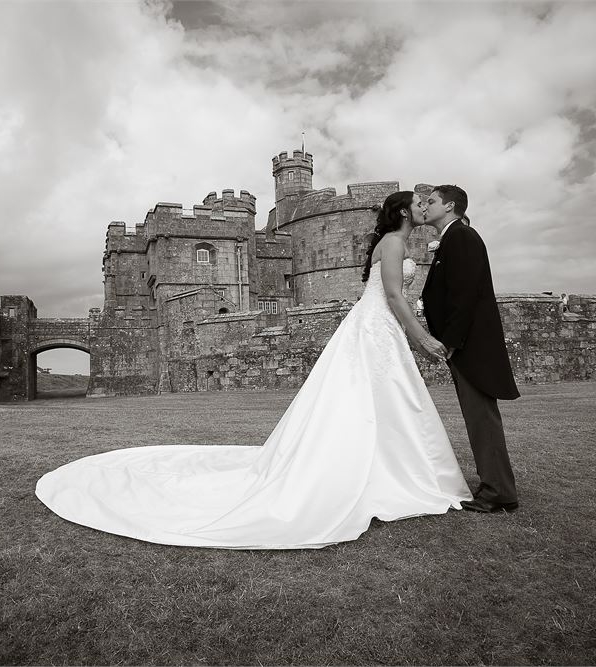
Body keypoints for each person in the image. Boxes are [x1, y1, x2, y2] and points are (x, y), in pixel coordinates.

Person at [35, 190, 472, 549]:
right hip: (379, 325)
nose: (423, 204)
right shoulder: (394, 244)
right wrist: (424, 337)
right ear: (400, 210)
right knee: (375, 397)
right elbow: (395, 297)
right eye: (417, 201)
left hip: (372, 327)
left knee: (367, 399)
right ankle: (390, 470)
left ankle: (382, 465)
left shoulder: (388, 244)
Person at [419, 185, 521, 513]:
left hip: (470, 346)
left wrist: (449, 342)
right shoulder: (454, 238)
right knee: (477, 417)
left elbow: (464, 296)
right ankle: (495, 485)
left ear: (450, 206)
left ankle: (498, 492)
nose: (426, 205)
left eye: (432, 201)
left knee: (481, 418)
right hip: (467, 344)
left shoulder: (461, 237)